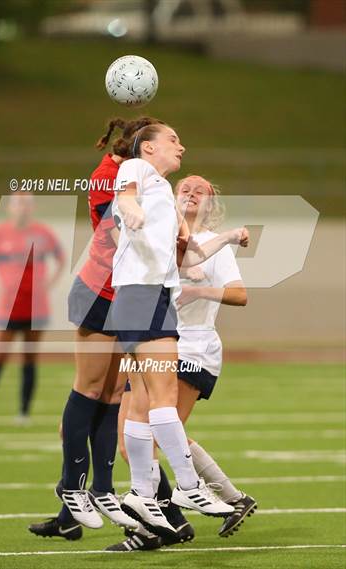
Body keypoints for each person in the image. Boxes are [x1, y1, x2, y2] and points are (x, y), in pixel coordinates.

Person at [109, 123, 249, 540]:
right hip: (144, 295)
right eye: (173, 140)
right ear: (149, 147)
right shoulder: (137, 167)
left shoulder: (168, 209)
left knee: (140, 404)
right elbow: (125, 193)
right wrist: (129, 208)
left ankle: (139, 492)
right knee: (160, 399)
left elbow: (194, 255)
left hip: (140, 297)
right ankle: (189, 487)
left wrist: (229, 236)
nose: (181, 146)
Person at [30, 118, 165, 541]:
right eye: (165, 141)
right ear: (142, 147)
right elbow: (130, 228)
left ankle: (101, 491)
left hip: (126, 298)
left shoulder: (138, 175)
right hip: (100, 293)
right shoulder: (111, 176)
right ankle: (72, 491)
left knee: (111, 396)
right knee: (88, 391)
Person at [0, 194, 65, 427]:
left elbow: (61, 258)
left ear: (32, 208)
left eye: (27, 204)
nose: (23, 208)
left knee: (29, 359)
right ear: (10, 207)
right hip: (8, 306)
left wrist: (49, 283)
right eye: (18, 203)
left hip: (37, 306)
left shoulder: (42, 233)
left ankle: (23, 412)